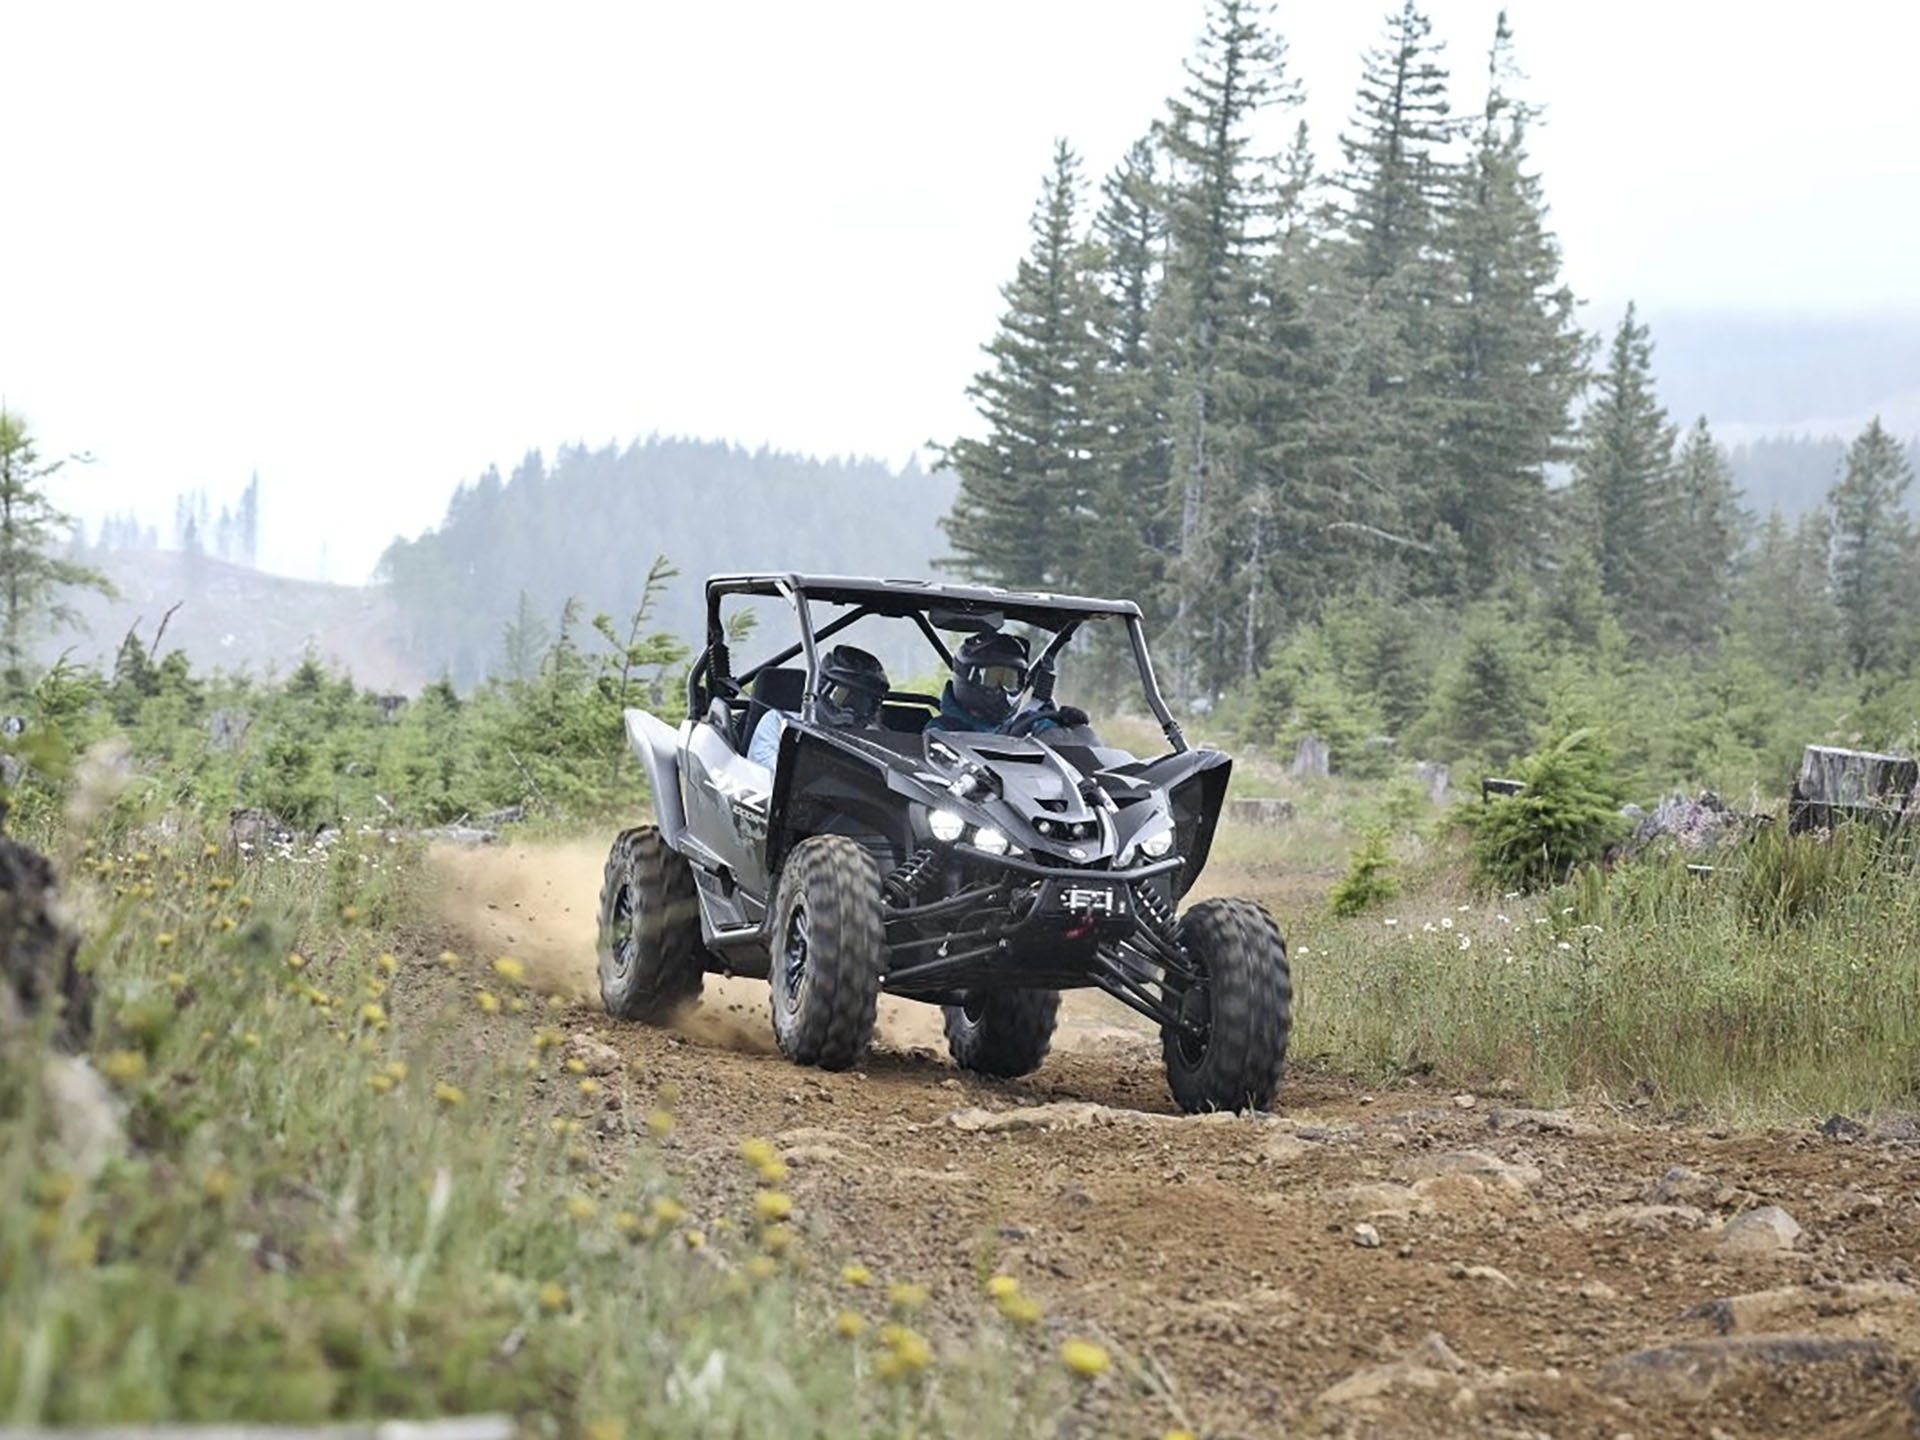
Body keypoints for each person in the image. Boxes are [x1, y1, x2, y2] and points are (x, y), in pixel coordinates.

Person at [747, 644, 890, 768]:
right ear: (821, 689)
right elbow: (774, 779)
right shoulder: (780, 724)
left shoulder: (874, 742)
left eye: (863, 704)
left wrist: (876, 743)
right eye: (843, 697)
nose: (851, 712)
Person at [926, 630, 1088, 736]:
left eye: (1010, 680)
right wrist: (1010, 734)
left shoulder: (1027, 721)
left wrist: (1069, 728)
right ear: (968, 678)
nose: (1001, 689)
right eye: (993, 678)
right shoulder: (941, 730)